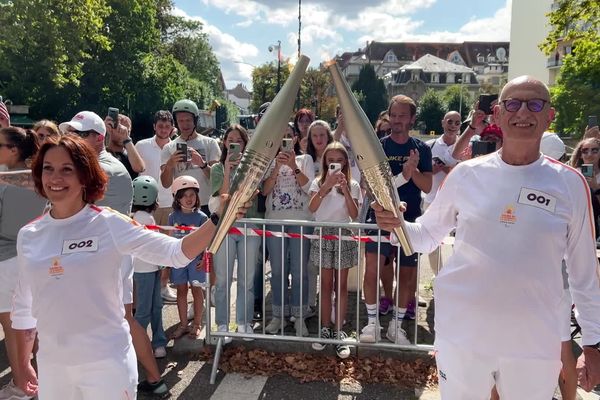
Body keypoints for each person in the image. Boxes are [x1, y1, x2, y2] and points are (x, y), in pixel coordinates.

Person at [372, 75, 600, 399]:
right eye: (513, 103)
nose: (523, 111)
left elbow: (585, 273)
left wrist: (593, 342)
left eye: (535, 103)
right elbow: (425, 235)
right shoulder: (466, 174)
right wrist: (397, 224)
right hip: (463, 336)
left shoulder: (570, 184)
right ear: (497, 113)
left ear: (550, 115)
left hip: (534, 342)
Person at [11, 134, 249, 398]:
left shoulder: (110, 224)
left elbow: (176, 252)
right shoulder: (29, 234)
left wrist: (219, 217)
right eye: (48, 168)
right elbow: (24, 304)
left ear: (84, 177)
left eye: (67, 169)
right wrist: (23, 363)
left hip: (105, 366)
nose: (55, 178)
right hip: (53, 367)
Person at [58, 111, 167, 396]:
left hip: (106, 260)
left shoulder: (108, 170)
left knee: (121, 320)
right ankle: (148, 380)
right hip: (90, 258)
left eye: (79, 134)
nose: (71, 139)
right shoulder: (90, 166)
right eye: (70, 133)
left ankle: (142, 380)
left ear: (98, 138)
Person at [360, 95, 432, 345]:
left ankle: (396, 326)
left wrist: (413, 174)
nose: (398, 120)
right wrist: (404, 174)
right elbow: (369, 186)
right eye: (394, 115)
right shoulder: (378, 146)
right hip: (378, 217)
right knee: (371, 272)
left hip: (409, 219)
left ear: (412, 118)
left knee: (407, 275)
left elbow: (428, 184)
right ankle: (372, 325)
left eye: (403, 115)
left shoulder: (421, 148)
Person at [0, 127, 44, 400]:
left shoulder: (9, 182)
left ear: (14, 150)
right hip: (31, 257)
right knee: (30, 325)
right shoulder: (36, 178)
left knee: (13, 325)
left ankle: (21, 386)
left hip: (8, 259)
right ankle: (36, 382)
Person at [308, 142, 360, 359]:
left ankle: (339, 332)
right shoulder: (317, 182)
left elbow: (354, 214)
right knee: (326, 285)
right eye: (331, 160)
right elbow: (311, 208)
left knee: (341, 287)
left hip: (343, 234)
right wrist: (325, 187)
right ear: (325, 162)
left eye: (339, 160)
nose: (335, 164)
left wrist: (346, 191)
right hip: (323, 235)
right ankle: (325, 328)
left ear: (346, 162)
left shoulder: (353, 184)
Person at [210, 125, 262, 341]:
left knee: (247, 278)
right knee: (222, 279)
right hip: (225, 227)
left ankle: (244, 322)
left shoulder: (254, 167)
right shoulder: (217, 168)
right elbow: (222, 195)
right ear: (224, 143)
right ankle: (222, 324)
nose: (234, 143)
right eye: (230, 140)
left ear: (245, 143)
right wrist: (229, 170)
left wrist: (243, 170)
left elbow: (254, 195)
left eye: (238, 140)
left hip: (249, 226)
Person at [263, 124, 315, 337]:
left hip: (300, 221)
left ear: (295, 138)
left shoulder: (306, 160)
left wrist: (293, 165)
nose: (284, 140)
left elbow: (308, 187)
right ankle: (278, 316)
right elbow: (265, 190)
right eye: (280, 137)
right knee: (277, 271)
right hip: (275, 221)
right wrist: (276, 168)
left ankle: (300, 316)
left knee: (299, 271)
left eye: (288, 136)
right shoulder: (268, 161)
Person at [135, 110, 177, 302]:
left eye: (167, 126)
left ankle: (163, 285)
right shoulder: (141, 146)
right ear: (154, 126)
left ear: (172, 128)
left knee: (167, 247)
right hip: (146, 206)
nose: (163, 129)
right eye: (160, 126)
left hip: (171, 202)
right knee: (149, 247)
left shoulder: (177, 147)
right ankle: (148, 286)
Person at [160, 99, 221, 216]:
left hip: (207, 205)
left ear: (195, 120)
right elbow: (166, 184)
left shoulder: (210, 143)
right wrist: (169, 165)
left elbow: (217, 180)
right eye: (180, 121)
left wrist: (202, 164)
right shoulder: (169, 147)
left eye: (188, 120)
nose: (184, 124)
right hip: (182, 207)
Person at [130, 175, 168, 359]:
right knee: (148, 309)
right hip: (147, 270)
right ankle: (140, 344)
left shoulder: (133, 217)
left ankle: (156, 342)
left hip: (147, 268)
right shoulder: (146, 219)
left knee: (153, 307)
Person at [168, 175, 208, 340]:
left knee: (197, 290)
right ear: (177, 198)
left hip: (196, 260)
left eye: (192, 194)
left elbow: (207, 240)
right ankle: (183, 324)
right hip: (178, 259)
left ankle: (197, 323)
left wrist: (204, 258)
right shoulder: (172, 217)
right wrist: (167, 261)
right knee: (181, 291)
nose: (189, 198)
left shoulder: (202, 217)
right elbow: (169, 239)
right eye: (184, 195)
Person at [422, 111, 460, 277]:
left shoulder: (466, 146)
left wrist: (448, 169)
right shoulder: (429, 145)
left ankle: (456, 278)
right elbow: (420, 172)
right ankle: (439, 277)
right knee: (432, 243)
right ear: (443, 123)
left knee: (459, 243)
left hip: (459, 203)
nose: (452, 126)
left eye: (457, 123)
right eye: (450, 121)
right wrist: (432, 170)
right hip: (432, 201)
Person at [569, 137, 600, 238]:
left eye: (594, 150)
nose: (589, 154)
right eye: (585, 151)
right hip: (573, 226)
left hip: (594, 228)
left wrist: (596, 188)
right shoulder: (571, 174)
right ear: (580, 155)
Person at [105, 113, 145, 179]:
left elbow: (140, 168)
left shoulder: (130, 154)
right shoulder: (103, 151)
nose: (124, 133)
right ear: (110, 129)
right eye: (120, 130)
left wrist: (127, 140)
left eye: (127, 131)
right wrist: (102, 129)